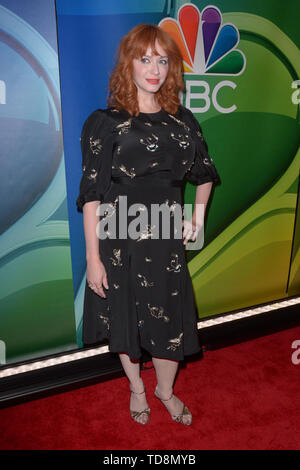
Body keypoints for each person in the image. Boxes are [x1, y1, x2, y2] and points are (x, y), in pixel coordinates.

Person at [76, 24, 221, 426]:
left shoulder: (182, 121)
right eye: (145, 59)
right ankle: (137, 388)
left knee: (169, 321)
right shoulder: (105, 123)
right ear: (129, 64)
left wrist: (197, 215)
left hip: (165, 242)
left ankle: (165, 390)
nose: (154, 68)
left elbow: (205, 172)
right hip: (118, 239)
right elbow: (91, 195)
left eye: (162, 59)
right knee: (125, 319)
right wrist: (93, 258)